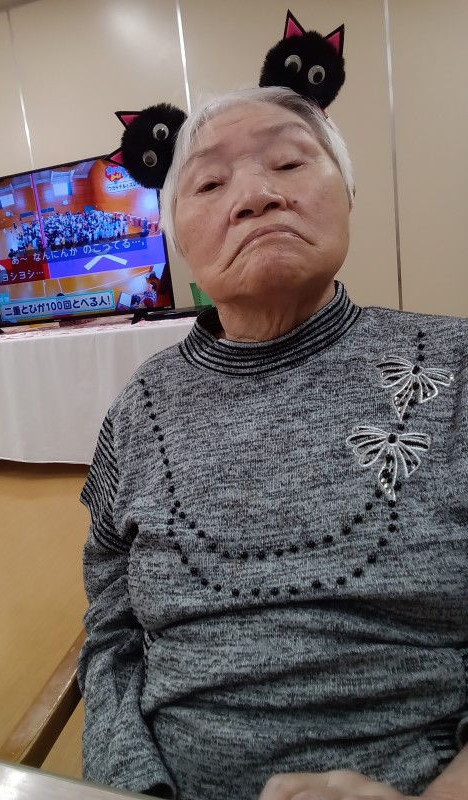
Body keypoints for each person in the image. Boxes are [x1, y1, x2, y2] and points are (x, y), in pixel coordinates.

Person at [77, 86, 468, 800]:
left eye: (289, 163)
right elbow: (109, 631)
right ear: (179, 240)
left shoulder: (457, 364)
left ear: (348, 194)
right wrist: (130, 785)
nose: (256, 196)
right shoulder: (140, 405)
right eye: (210, 184)